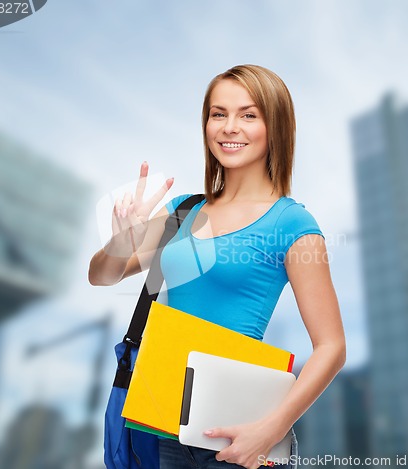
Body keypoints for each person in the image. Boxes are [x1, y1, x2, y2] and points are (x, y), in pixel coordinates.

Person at [89, 64, 346, 469]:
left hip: (236, 432)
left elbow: (331, 347)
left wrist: (272, 428)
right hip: (159, 419)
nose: (229, 127)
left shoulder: (292, 223)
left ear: (274, 126)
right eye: (218, 113)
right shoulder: (184, 210)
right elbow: (101, 276)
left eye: (248, 114)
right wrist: (120, 242)